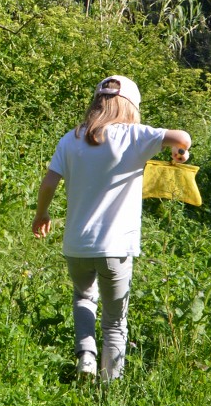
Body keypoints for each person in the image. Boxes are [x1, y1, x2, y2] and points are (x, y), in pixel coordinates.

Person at [30, 74, 191, 381]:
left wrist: (42, 214)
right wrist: (179, 152)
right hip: (116, 247)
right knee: (115, 322)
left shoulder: (71, 138)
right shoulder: (134, 136)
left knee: (83, 297)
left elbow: (49, 181)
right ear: (131, 106)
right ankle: (110, 388)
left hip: (77, 245)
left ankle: (86, 358)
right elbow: (182, 137)